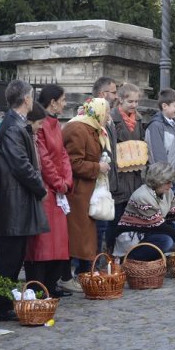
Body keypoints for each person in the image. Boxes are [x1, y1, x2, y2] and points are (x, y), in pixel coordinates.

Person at [0, 80, 48, 320]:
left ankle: (6, 300)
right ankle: (1, 304)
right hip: (14, 198)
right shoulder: (13, 127)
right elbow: (21, 165)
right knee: (9, 256)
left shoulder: (16, 124)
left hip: (19, 198)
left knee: (15, 255)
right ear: (27, 99)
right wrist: (40, 187)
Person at [23, 85, 76, 297]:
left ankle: (52, 283)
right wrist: (58, 182)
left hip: (57, 189)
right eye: (62, 100)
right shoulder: (42, 124)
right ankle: (40, 285)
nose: (64, 104)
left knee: (59, 241)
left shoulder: (55, 125)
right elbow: (43, 158)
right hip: (47, 189)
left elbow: (63, 154)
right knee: (43, 242)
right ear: (53, 102)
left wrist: (66, 180)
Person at [113, 163, 175, 260]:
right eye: (168, 182)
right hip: (133, 235)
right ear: (158, 181)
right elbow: (161, 226)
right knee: (166, 241)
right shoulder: (142, 197)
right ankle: (128, 259)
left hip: (149, 230)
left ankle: (154, 258)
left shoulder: (167, 192)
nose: (171, 185)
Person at [63, 98, 111, 276]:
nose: (108, 116)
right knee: (78, 236)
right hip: (77, 191)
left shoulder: (93, 128)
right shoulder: (77, 128)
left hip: (89, 190)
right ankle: (72, 275)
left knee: (87, 236)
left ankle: (85, 273)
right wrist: (98, 167)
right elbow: (72, 163)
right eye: (106, 112)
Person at [107, 83, 145, 251]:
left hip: (134, 174)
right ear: (120, 100)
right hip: (118, 175)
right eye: (130, 101)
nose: (134, 105)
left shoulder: (139, 119)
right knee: (115, 218)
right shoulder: (112, 118)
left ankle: (127, 253)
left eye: (136, 101)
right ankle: (109, 252)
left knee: (130, 217)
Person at [91, 77, 118, 253]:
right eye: (113, 92)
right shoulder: (91, 118)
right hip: (96, 183)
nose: (116, 96)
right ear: (102, 94)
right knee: (96, 227)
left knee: (105, 225)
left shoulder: (108, 118)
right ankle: (91, 264)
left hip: (108, 182)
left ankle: (102, 258)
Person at [145, 88, 175, 171]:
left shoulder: (173, 123)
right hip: (163, 177)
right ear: (164, 106)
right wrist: (166, 177)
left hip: (172, 175)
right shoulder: (156, 126)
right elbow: (158, 155)